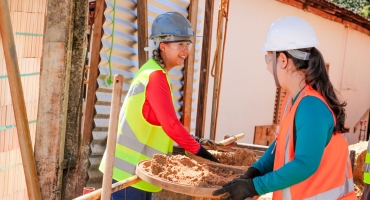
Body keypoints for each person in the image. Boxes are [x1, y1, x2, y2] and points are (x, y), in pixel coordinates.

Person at [213, 16, 356, 200]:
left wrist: (255, 187)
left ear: (282, 60)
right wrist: (254, 172)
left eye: (268, 58)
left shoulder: (311, 106)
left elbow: (305, 164)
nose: (267, 66)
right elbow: (281, 144)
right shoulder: (293, 98)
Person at [99, 11, 219, 200]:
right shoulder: (155, 76)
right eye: (180, 44)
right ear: (163, 46)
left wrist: (192, 141)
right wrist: (205, 156)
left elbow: (159, 122)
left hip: (138, 171)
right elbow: (171, 125)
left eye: (187, 44)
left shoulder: (153, 72)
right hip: (128, 172)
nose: (186, 50)